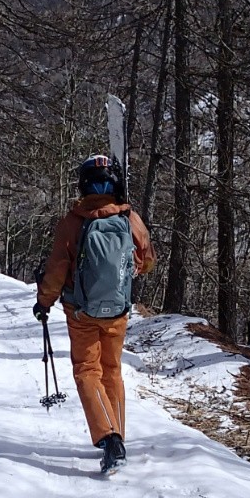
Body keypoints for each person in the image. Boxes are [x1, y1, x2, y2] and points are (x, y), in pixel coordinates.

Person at [33, 155, 155, 474]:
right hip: (118, 309)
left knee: (88, 370)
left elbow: (58, 270)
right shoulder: (130, 218)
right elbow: (147, 259)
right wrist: (127, 272)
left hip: (81, 311)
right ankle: (117, 434)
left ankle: (109, 437)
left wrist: (44, 302)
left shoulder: (73, 222)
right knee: (111, 370)